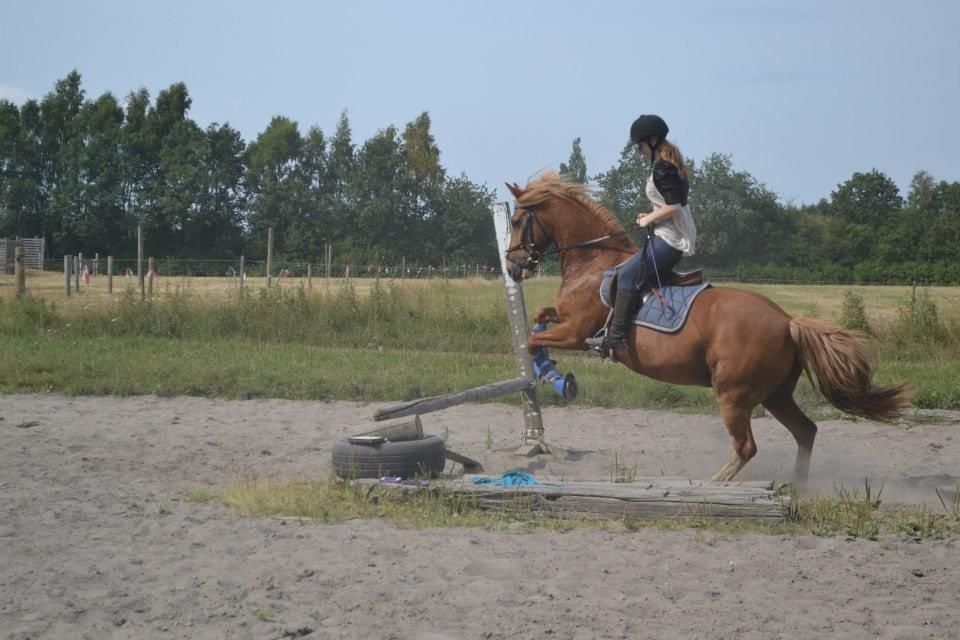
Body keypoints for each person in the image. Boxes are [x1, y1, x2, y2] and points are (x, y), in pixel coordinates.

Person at [588, 114, 697, 352]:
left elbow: (674, 205)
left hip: (671, 239)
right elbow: (668, 204)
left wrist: (649, 218)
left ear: (654, 141)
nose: (638, 151)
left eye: (639, 146)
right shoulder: (668, 164)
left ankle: (617, 338)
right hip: (669, 233)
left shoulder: (662, 168)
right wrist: (649, 215)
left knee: (626, 276)